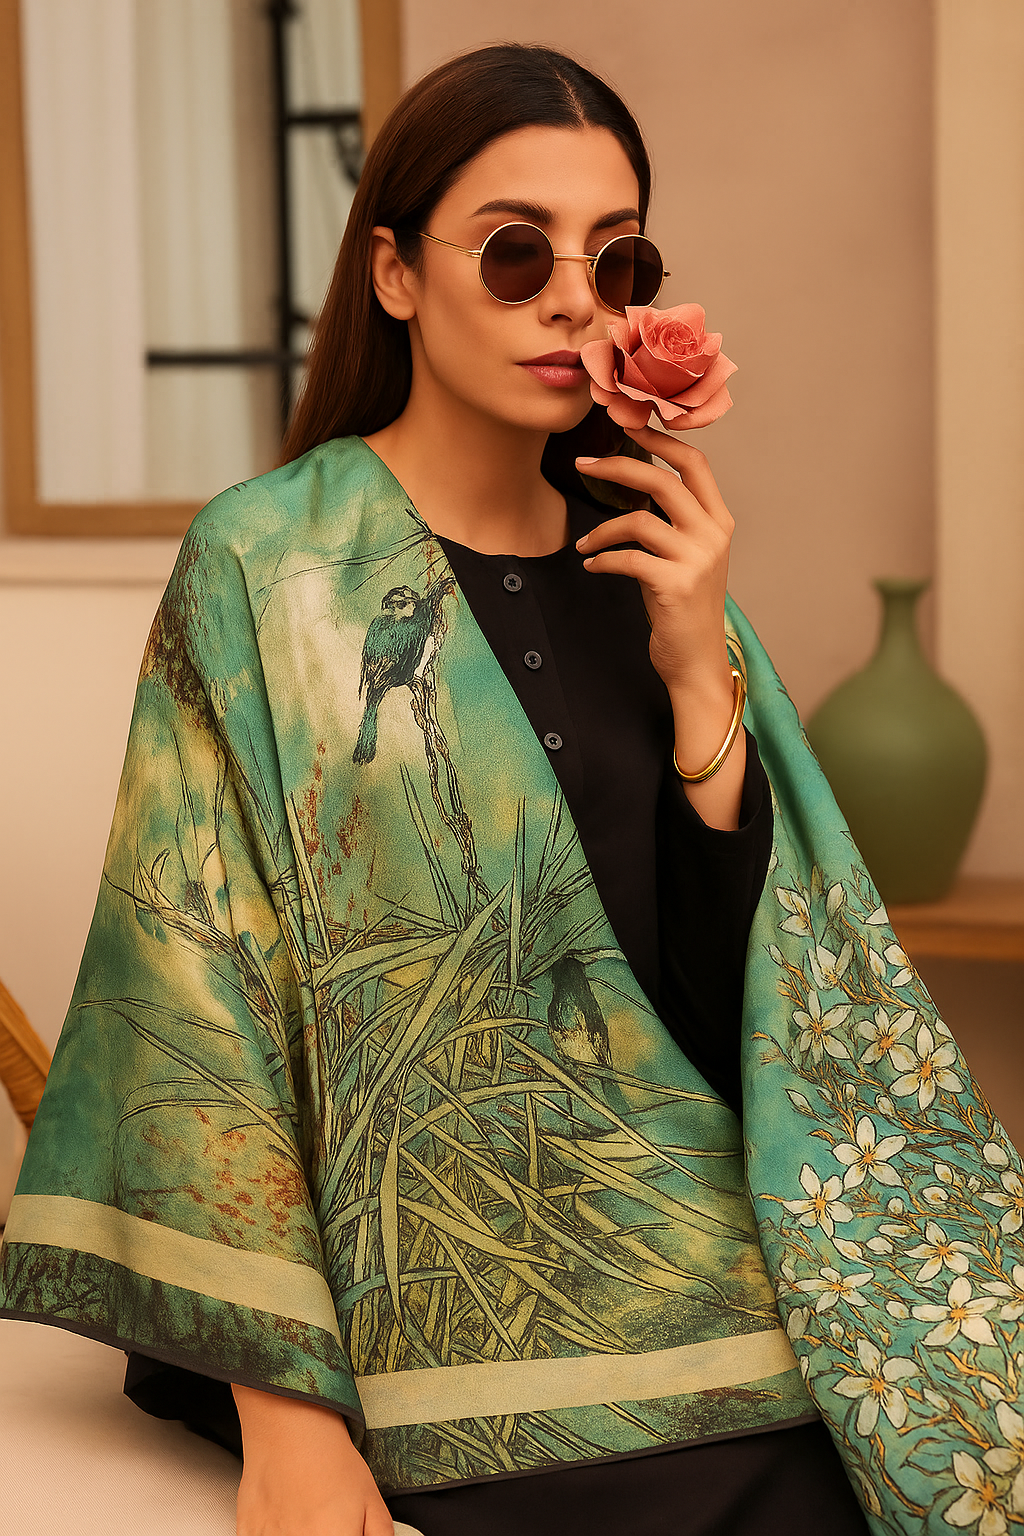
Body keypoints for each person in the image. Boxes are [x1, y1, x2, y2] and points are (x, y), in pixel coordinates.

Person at [3, 42, 1023, 1536]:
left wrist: (696, 673)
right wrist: (288, 1421)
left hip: (693, 1240)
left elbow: (742, 1005)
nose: (571, 297)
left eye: (615, 259)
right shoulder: (268, 566)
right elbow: (194, 997)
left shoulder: (655, 566)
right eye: (515, 250)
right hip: (410, 1287)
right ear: (397, 273)